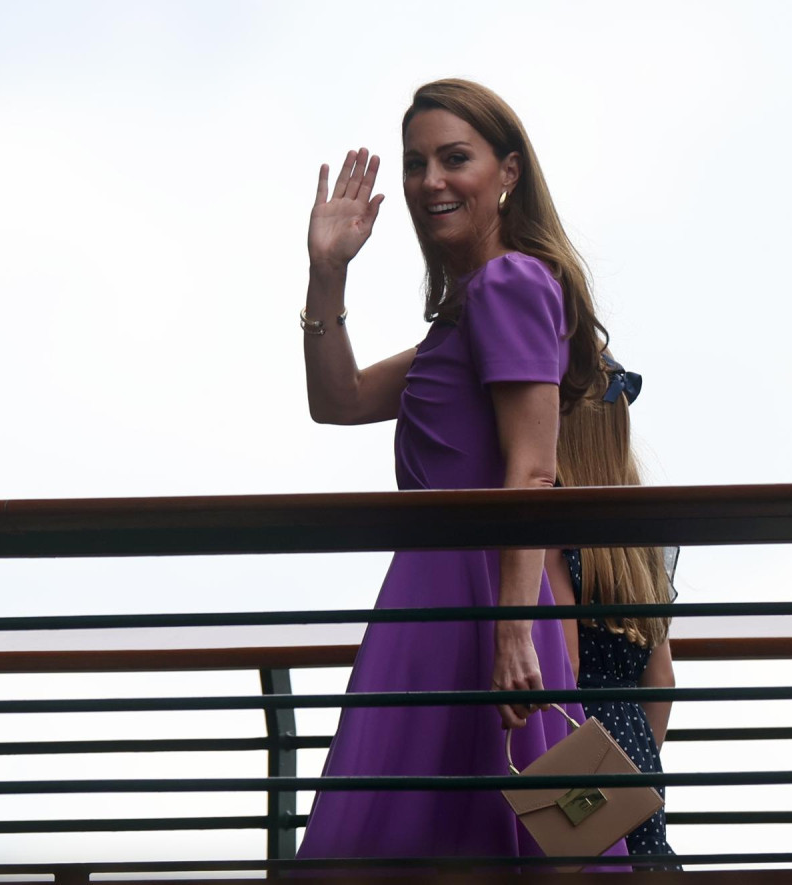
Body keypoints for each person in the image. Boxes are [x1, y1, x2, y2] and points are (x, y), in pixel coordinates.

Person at [296, 78, 628, 863]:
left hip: (475, 593)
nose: (430, 181)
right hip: (442, 590)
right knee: (460, 834)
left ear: (508, 172)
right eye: (417, 164)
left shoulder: (510, 284)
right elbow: (336, 399)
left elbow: (533, 470)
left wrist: (513, 628)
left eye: (455, 158)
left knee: (438, 836)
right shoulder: (468, 307)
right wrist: (326, 269)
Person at [552, 355, 679, 861]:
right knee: (640, 859)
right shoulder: (642, 539)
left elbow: (566, 667)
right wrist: (634, 762)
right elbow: (662, 682)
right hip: (633, 743)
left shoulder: (553, 529)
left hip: (575, 739)